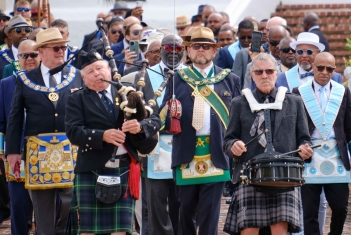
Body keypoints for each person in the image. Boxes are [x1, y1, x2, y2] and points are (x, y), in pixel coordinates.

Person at [145, 27, 241, 235]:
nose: (201, 50)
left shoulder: (229, 79)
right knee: (184, 213)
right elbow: (160, 115)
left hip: (216, 152)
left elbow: (238, 118)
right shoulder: (177, 78)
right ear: (188, 51)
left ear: (214, 51)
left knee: (209, 215)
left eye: (206, 46)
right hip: (186, 153)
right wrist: (143, 127)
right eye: (196, 46)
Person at [65, 51, 159, 235]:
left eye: (99, 68)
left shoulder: (128, 92)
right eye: (90, 71)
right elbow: (73, 132)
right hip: (91, 168)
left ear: (108, 69)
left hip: (124, 168)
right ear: (83, 78)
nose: (97, 74)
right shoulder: (76, 99)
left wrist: (139, 126)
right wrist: (102, 136)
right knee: (87, 231)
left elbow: (155, 119)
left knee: (121, 230)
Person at [223, 53, 313, 234]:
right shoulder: (239, 103)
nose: (264, 75)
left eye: (269, 71)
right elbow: (228, 140)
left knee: (280, 230)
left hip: (284, 176)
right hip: (249, 175)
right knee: (249, 230)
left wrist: (305, 150)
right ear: (252, 75)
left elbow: (304, 139)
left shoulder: (293, 102)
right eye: (259, 72)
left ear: (277, 73)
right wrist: (233, 146)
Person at [5, 28, 83, 235]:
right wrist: (12, 152)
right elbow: (15, 118)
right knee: (42, 206)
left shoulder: (77, 76)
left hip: (70, 149)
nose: (61, 52)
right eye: (56, 48)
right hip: (37, 153)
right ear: (41, 52)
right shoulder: (24, 79)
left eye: (64, 47)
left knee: (69, 202)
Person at [292, 52, 351, 235]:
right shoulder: (299, 92)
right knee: (309, 212)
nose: (324, 72)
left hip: (337, 157)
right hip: (310, 156)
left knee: (340, 207)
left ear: (334, 70)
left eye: (329, 69)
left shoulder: (343, 91)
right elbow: (294, 128)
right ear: (313, 67)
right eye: (320, 68)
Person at [0, 15, 31, 225]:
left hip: (29, 125)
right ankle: (2, 207)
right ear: (8, 34)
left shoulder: (35, 57)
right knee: (1, 166)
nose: (23, 33)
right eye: (19, 30)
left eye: (26, 30)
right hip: (1, 121)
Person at [137, 34, 185, 235]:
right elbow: (137, 114)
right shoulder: (145, 76)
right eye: (168, 48)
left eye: (178, 48)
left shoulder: (191, 75)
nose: (173, 53)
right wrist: (138, 150)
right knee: (155, 204)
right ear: (159, 52)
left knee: (183, 203)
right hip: (154, 148)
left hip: (184, 147)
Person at [0, 39, 38, 235]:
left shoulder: (53, 82)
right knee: (18, 208)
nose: (29, 59)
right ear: (17, 58)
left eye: (33, 55)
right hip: (16, 155)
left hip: (46, 154)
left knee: (48, 212)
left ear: (41, 55)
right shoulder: (7, 83)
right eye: (23, 55)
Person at [276, 32, 342, 91]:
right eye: (300, 51)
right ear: (295, 52)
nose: (304, 55)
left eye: (309, 52)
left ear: (318, 52)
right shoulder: (283, 78)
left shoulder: (334, 77)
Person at [233, 17, 286, 89]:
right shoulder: (251, 63)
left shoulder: (294, 62)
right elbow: (246, 91)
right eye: (274, 43)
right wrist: (256, 61)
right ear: (268, 41)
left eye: (280, 43)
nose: (277, 46)